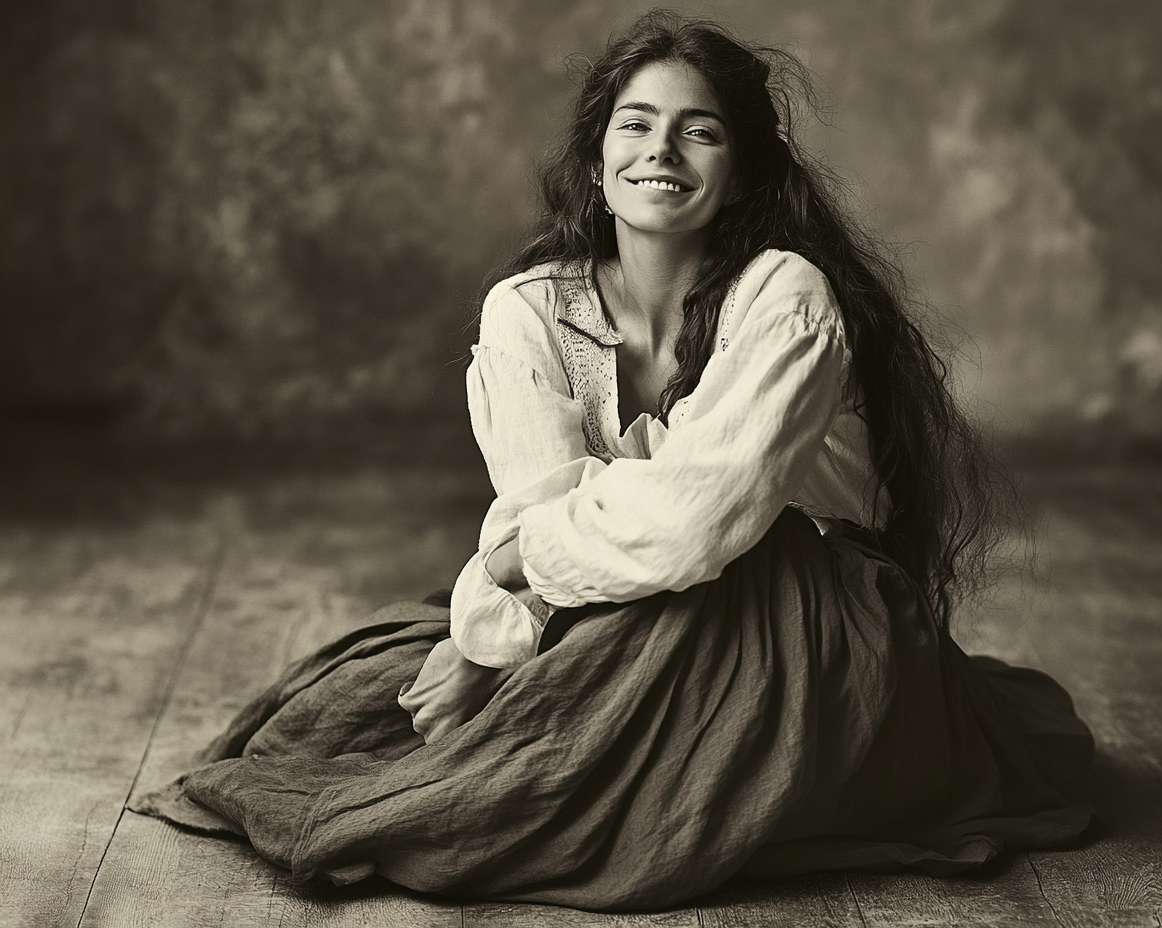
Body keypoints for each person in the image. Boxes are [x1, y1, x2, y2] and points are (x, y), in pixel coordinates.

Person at [133, 10, 1093, 911]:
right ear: (598, 165)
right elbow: (544, 506)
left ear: (747, 171)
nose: (661, 152)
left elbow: (694, 524)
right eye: (635, 126)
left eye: (699, 132)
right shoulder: (527, 311)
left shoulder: (785, 296)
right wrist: (507, 607)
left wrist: (498, 607)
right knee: (351, 712)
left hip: (808, 607)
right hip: (607, 595)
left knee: (552, 737)